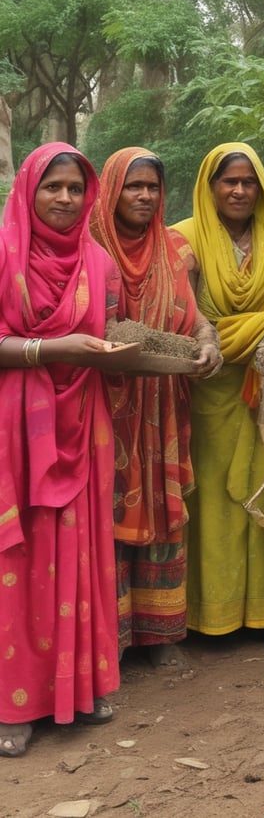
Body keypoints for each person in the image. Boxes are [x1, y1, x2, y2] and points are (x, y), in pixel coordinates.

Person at [0, 143, 123, 756]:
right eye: (54, 187)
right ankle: (11, 705)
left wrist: (185, 352)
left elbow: (114, 335)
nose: (66, 199)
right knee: (18, 559)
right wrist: (49, 351)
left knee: (78, 549)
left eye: (76, 188)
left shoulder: (99, 262)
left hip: (84, 421)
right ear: (29, 189)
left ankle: (81, 685)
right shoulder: (3, 253)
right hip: (14, 429)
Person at [90, 148, 222, 667]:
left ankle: (161, 632)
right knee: (107, 511)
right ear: (112, 190)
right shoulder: (90, 247)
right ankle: (111, 637)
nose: (144, 196)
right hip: (105, 405)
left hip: (163, 404)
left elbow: (196, 319)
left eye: (152, 187)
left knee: (164, 512)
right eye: (133, 186)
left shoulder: (175, 250)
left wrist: (208, 343)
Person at [172, 143, 264, 635]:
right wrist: (251, 326)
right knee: (208, 500)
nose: (240, 190)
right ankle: (208, 614)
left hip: (263, 392)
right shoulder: (183, 239)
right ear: (210, 186)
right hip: (208, 389)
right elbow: (182, 312)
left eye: (249, 181)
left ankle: (261, 613)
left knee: (261, 489)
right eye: (229, 181)